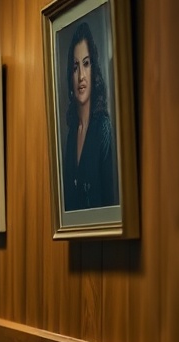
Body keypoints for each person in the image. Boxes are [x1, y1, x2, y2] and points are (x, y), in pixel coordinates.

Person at [62, 21, 117, 211]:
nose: (81, 76)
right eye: (75, 67)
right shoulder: (71, 135)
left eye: (86, 64)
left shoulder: (103, 127)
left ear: (94, 70)